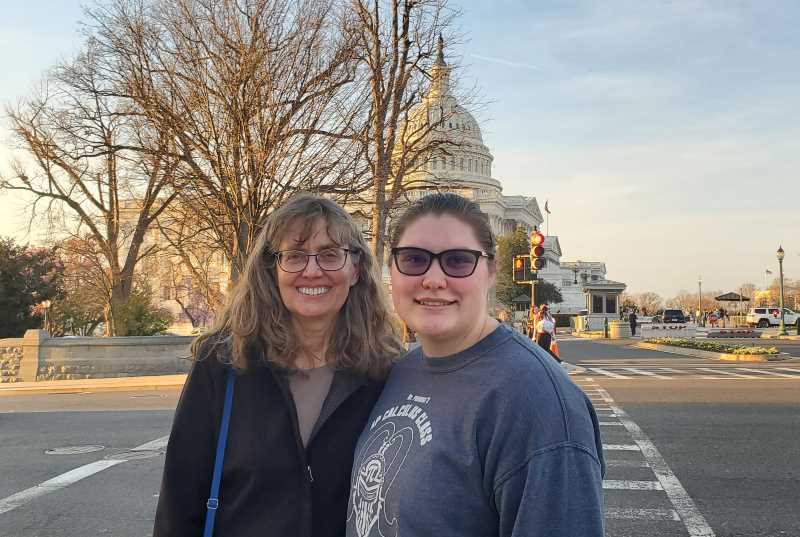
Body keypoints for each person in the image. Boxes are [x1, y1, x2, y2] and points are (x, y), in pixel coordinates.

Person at [346, 193, 604, 537]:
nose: (434, 279)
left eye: (457, 261)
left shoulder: (537, 402)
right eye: (413, 259)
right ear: (392, 269)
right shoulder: (401, 371)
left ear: (492, 270)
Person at [153, 194, 404, 537]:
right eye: (295, 256)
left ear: (356, 269)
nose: (312, 270)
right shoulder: (223, 362)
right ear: (272, 269)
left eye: (330, 255)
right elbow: (180, 500)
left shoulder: (386, 371)